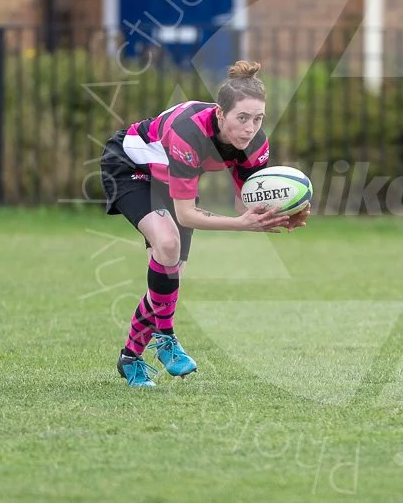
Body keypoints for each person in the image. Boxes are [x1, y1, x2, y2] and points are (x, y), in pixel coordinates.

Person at [99, 60, 309, 388]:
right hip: (130, 168)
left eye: (258, 119)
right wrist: (242, 225)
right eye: (242, 118)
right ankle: (166, 337)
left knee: (169, 276)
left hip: (168, 180)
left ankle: (130, 357)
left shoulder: (253, 143)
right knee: (167, 244)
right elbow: (186, 215)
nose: (250, 127)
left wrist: (283, 213)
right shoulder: (189, 133)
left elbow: (253, 198)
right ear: (221, 114)